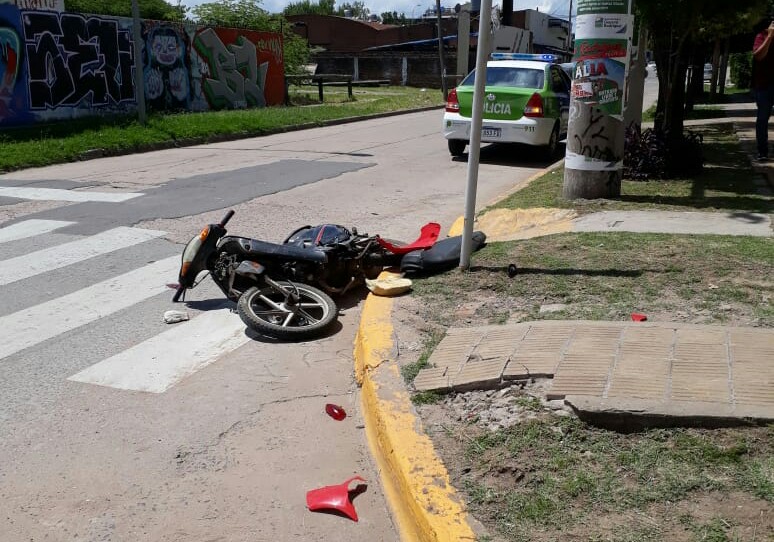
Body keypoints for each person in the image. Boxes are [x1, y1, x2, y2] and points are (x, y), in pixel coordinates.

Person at [752, 18, 774, 162]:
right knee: (762, 119)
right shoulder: (762, 36)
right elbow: (758, 56)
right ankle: (762, 152)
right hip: (764, 85)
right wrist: (770, 37)